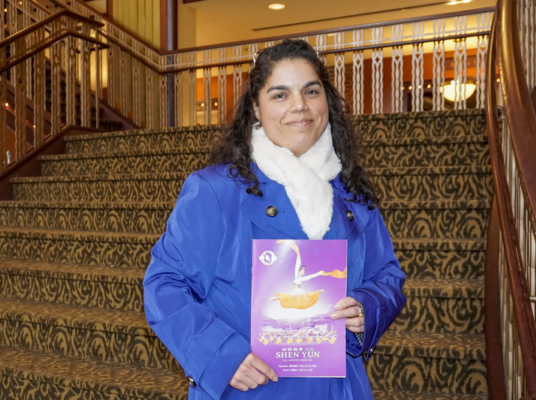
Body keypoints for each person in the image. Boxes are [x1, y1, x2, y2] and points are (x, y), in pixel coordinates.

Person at [143, 39, 406, 400]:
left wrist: (368, 307)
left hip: (341, 389)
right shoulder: (215, 190)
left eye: (311, 91)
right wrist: (219, 355)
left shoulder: (352, 194)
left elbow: (387, 276)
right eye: (280, 95)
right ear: (256, 107)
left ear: (326, 100)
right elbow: (165, 284)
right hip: (251, 389)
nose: (299, 105)